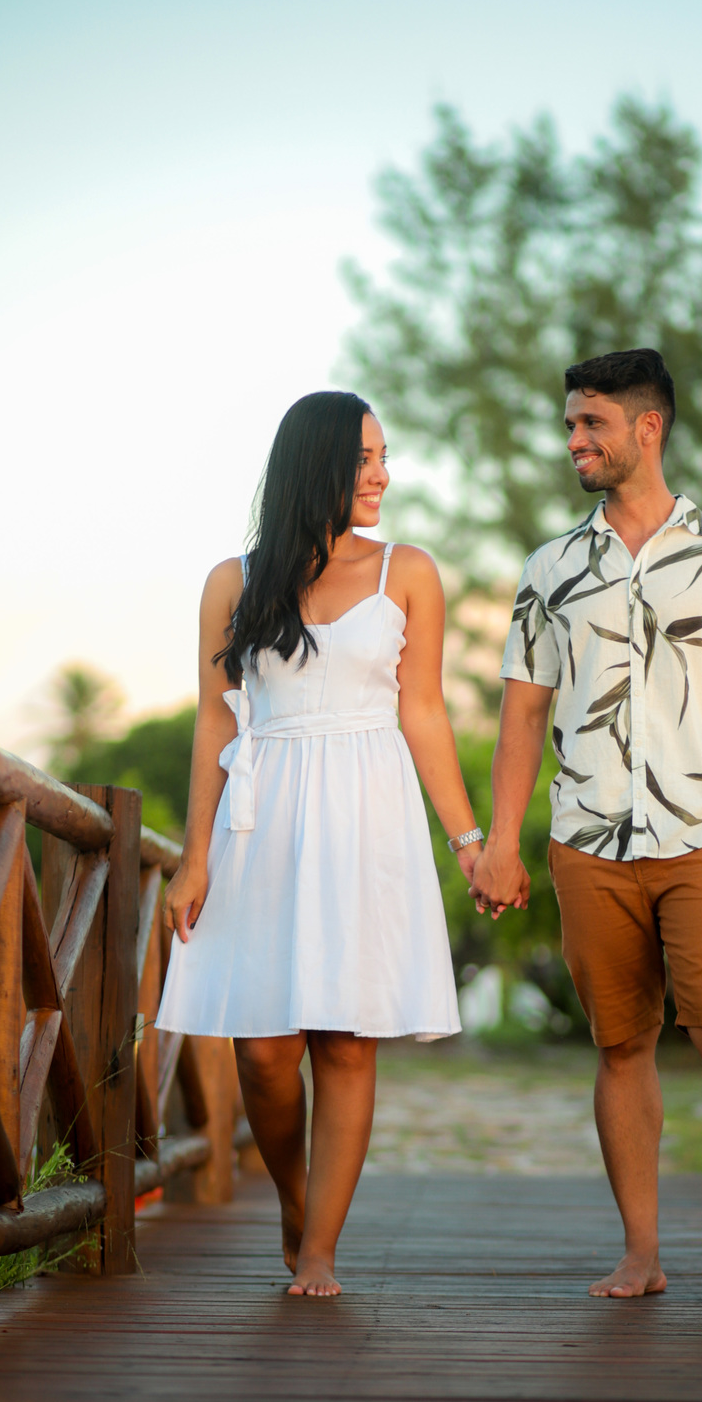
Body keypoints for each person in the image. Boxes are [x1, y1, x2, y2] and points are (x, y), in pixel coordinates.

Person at [471, 349, 702, 1306]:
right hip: (588, 840)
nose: (573, 441)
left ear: (647, 427)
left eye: (591, 424)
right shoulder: (550, 569)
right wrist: (501, 841)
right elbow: (522, 713)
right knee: (619, 1046)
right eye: (570, 425)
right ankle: (640, 1254)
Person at [158, 391, 483, 1296]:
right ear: (318, 465)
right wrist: (194, 856)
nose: (382, 475)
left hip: (369, 815)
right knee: (263, 1051)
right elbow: (215, 719)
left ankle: (320, 1250)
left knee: (346, 1040)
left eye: (385, 457)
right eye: (365, 458)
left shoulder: (408, 572)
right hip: (264, 816)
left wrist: (468, 840)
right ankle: (296, 1202)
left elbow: (424, 712)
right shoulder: (234, 581)